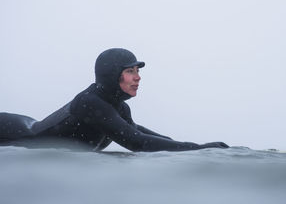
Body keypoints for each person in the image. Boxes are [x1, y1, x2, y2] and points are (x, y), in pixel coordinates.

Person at [0, 48, 229, 151]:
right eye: (130, 71)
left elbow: (137, 133)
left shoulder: (117, 109)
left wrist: (190, 146)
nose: (138, 78)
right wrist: (197, 149)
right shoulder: (89, 102)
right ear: (111, 74)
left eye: (138, 72)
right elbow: (137, 143)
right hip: (14, 132)